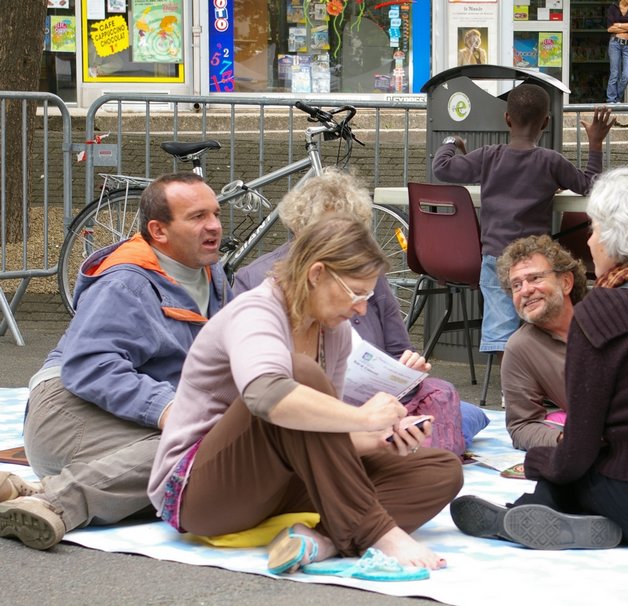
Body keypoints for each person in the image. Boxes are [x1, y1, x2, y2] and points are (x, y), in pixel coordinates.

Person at [148, 215, 464, 574]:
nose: (362, 308)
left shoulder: (336, 332)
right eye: (356, 293)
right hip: (204, 494)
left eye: (368, 295)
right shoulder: (256, 311)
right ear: (316, 274)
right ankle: (375, 532)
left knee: (440, 470)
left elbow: (322, 436)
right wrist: (363, 418)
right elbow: (265, 395)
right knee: (298, 373)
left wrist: (379, 438)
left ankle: (323, 539)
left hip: (280, 484)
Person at [450, 169, 628, 551]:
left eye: (594, 229)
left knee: (561, 474)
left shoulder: (603, 311)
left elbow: (578, 449)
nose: (589, 240)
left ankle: (524, 513)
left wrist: (539, 464)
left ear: (618, 237)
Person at [0, 173, 230, 550]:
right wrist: (170, 408)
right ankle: (55, 504)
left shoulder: (212, 273)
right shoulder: (126, 282)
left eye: (216, 214)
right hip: (67, 410)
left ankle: (28, 490)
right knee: (191, 452)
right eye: (197, 216)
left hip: (117, 422)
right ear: (158, 230)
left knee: (214, 467)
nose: (214, 226)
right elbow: (90, 366)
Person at [233, 169, 489, 455]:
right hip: (310, 406)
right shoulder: (257, 283)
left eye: (349, 233)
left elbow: (399, 348)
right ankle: (405, 454)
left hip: (381, 398)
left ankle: (414, 453)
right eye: (330, 234)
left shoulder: (366, 274)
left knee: (442, 395)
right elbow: (264, 386)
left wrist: (405, 371)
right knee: (449, 423)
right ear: (301, 231)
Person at [433, 83, 613, 359]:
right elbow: (590, 184)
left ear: (507, 119)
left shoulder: (488, 157)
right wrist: (595, 143)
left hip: (495, 257)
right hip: (535, 260)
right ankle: (541, 377)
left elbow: (442, 168)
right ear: (546, 122)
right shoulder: (551, 162)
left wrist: (451, 143)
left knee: (500, 328)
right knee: (540, 319)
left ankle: (508, 390)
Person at [495, 235, 587, 450]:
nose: (525, 290)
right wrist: (568, 443)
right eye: (516, 285)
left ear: (566, 282)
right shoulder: (521, 348)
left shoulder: (608, 315)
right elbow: (522, 425)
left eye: (535, 278)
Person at [605, 0, 628, 104]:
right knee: (614, 73)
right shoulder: (612, 8)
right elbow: (610, 29)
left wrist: (618, 25)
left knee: (627, 75)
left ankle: (617, 97)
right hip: (615, 44)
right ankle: (611, 99)